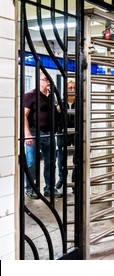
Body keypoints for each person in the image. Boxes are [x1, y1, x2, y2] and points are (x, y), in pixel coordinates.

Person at [24, 71, 62, 199]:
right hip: (34, 133)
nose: (48, 82)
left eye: (49, 80)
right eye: (45, 79)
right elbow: (23, 115)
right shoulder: (30, 95)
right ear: (38, 81)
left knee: (51, 162)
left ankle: (49, 188)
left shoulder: (52, 97)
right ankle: (29, 188)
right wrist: (27, 133)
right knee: (31, 163)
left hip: (49, 134)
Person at [56, 80, 76, 190]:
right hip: (62, 133)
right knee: (61, 159)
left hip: (76, 134)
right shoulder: (60, 103)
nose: (72, 90)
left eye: (73, 88)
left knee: (76, 159)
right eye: (69, 88)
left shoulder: (81, 104)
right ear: (65, 90)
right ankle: (62, 179)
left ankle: (74, 182)